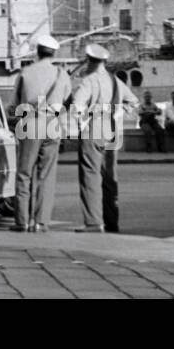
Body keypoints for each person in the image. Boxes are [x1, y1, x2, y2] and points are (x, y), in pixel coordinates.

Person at [69, 43, 139, 233]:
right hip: (112, 133)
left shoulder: (88, 80)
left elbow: (77, 107)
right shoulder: (115, 81)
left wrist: (81, 123)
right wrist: (118, 114)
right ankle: (111, 221)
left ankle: (93, 222)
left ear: (89, 61)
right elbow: (133, 101)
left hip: (93, 131)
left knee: (90, 176)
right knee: (109, 178)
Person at [10, 34, 71, 232]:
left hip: (30, 122)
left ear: (37, 51)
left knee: (24, 174)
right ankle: (40, 222)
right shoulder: (62, 74)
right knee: (46, 175)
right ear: (53, 53)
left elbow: (14, 105)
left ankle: (22, 221)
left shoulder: (25, 73)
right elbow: (68, 101)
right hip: (53, 123)